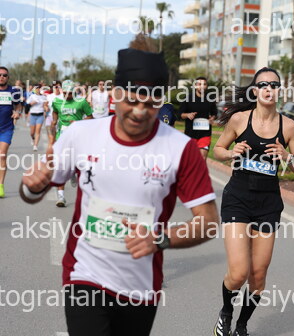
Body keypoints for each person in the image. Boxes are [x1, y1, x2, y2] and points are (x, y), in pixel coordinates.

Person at [20, 48, 219, 336]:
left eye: (150, 103)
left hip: (140, 285)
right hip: (84, 274)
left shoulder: (181, 148)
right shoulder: (81, 134)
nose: (139, 111)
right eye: (132, 100)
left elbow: (208, 222)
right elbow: (31, 192)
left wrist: (160, 239)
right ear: (115, 94)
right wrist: (32, 186)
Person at [212, 67, 294, 336]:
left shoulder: (289, 126)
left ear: (279, 91)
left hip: (268, 204)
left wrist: (287, 157)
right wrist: (231, 153)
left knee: (258, 276)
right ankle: (226, 313)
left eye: (273, 85)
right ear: (254, 90)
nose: (268, 89)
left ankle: (241, 326)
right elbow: (218, 149)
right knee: (238, 273)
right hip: (237, 199)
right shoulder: (239, 120)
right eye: (263, 84)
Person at [50, 79, 93, 207]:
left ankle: (73, 172)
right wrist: (54, 122)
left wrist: (79, 122)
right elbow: (55, 112)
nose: (67, 95)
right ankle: (61, 196)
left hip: (77, 137)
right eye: (65, 93)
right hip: (62, 136)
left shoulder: (81, 102)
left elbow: (91, 117)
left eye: (70, 93)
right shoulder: (57, 101)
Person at [179, 77, 218, 159]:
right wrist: (188, 115)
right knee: (191, 159)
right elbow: (180, 114)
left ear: (207, 86)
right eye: (199, 84)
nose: (202, 86)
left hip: (205, 134)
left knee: (202, 158)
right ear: (195, 86)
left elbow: (214, 113)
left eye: (204, 84)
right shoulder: (188, 98)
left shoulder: (210, 99)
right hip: (190, 134)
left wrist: (212, 118)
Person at [0, 66, 23, 198]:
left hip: (6, 128)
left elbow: (18, 105)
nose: (1, 77)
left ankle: (1, 186)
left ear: (8, 77)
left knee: (2, 156)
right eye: (0, 75)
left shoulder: (13, 91)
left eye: (4, 75)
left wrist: (17, 112)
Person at [26, 84, 47, 151]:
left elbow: (45, 105)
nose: (38, 90)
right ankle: (33, 138)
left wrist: (46, 109)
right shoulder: (32, 96)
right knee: (32, 132)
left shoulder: (44, 97)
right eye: (36, 88)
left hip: (40, 115)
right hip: (33, 115)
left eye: (39, 88)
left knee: (38, 131)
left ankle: (35, 145)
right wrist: (32, 103)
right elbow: (27, 106)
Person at [44, 80, 63, 147]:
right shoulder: (49, 96)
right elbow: (45, 105)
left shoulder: (63, 96)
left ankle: (56, 151)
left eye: (58, 87)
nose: (56, 88)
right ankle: (51, 152)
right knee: (51, 139)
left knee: (58, 139)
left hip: (60, 120)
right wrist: (46, 107)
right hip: (50, 118)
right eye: (55, 87)